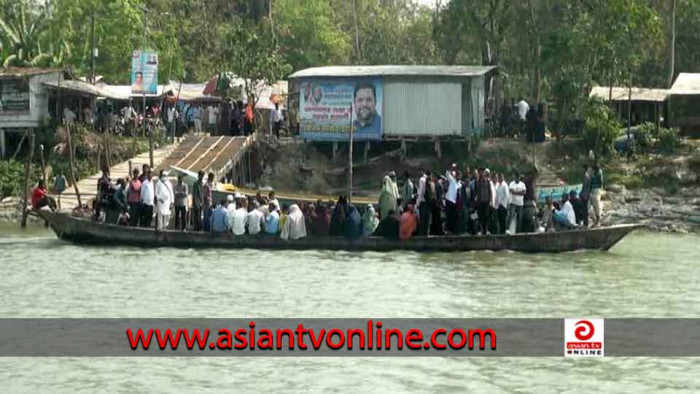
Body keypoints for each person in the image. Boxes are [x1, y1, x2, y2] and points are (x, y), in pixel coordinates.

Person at [474, 168, 492, 235]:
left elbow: (490, 191)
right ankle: (479, 230)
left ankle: (486, 230)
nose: (481, 174)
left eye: (483, 172)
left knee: (486, 216)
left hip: (486, 201)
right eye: (480, 172)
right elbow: (475, 192)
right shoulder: (477, 181)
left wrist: (490, 200)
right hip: (480, 201)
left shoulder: (487, 181)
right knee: (480, 216)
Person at [444, 169, 460, 233]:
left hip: (454, 202)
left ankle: (453, 230)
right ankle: (448, 230)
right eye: (457, 176)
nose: (458, 177)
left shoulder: (459, 184)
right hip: (449, 200)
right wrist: (451, 168)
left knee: (453, 217)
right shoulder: (452, 180)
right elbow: (447, 174)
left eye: (459, 176)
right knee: (449, 216)